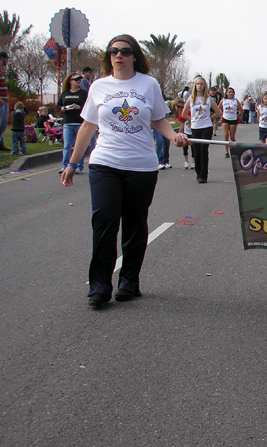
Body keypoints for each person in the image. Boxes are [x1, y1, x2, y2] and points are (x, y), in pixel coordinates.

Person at [60, 34, 188, 310]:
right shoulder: (98, 87)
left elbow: (159, 120)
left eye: (125, 51)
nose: (119, 55)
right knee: (104, 222)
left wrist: (174, 137)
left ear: (134, 56)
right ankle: (99, 286)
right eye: (114, 51)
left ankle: (129, 281)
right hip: (105, 163)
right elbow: (86, 127)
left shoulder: (148, 84)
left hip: (141, 166)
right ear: (108, 56)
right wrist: (72, 163)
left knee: (134, 224)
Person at [182, 76, 221, 183]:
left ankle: (204, 175)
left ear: (205, 86)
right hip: (195, 128)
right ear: (195, 85)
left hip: (206, 127)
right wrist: (192, 120)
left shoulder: (208, 99)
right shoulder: (191, 99)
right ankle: (198, 172)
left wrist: (210, 118)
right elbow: (184, 114)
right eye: (198, 84)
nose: (199, 86)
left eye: (201, 84)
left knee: (204, 150)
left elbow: (218, 112)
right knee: (197, 151)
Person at [57, 72, 90, 173]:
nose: (78, 81)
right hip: (68, 122)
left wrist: (79, 107)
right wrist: (62, 108)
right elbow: (58, 105)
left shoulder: (83, 93)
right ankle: (64, 166)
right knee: (67, 145)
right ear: (70, 81)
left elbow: (88, 106)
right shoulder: (65, 93)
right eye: (76, 79)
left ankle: (79, 167)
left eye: (80, 80)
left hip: (79, 122)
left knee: (78, 145)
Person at [220, 87, 243, 158]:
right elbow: (219, 108)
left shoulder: (236, 101)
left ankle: (234, 151)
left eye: (232, 92)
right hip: (225, 119)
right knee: (226, 135)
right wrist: (221, 114)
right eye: (229, 92)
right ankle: (226, 152)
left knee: (232, 137)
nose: (230, 93)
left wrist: (237, 116)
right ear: (226, 93)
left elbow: (241, 111)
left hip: (233, 119)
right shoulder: (223, 100)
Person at [0, 50, 10, 151]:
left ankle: (1, 144)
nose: (7, 61)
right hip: (1, 102)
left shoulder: (1, 71)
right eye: (6, 59)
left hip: (4, 100)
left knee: (3, 125)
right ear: (2, 58)